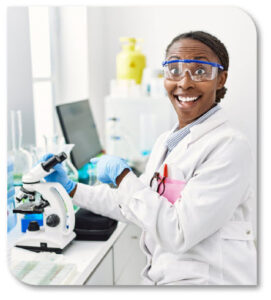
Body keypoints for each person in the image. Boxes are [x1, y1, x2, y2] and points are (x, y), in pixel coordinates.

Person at [42, 31, 256, 285]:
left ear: (221, 79)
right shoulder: (168, 141)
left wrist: (123, 177)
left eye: (200, 71)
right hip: (167, 278)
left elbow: (179, 232)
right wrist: (72, 189)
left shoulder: (229, 146)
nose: (184, 83)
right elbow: (133, 203)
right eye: (174, 69)